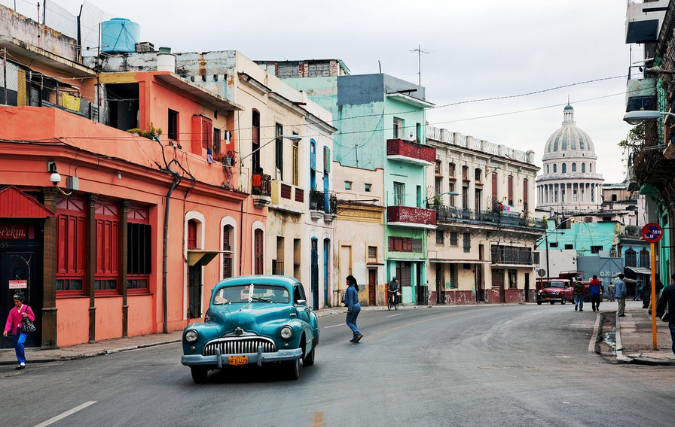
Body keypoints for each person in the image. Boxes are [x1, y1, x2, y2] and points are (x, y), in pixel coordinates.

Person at [3, 293, 36, 370]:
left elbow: (33, 318)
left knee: (20, 343)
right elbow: (9, 321)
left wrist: (27, 315)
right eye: (15, 301)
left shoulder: (27, 308)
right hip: (15, 330)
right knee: (17, 347)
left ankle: (22, 361)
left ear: (21, 301)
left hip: (23, 330)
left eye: (17, 301)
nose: (16, 303)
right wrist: (6, 330)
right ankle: (20, 362)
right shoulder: (12, 310)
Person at [655, 273, 675, 355]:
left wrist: (661, 315)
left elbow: (661, 304)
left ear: (673, 280)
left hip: (674, 318)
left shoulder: (669, 289)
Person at [345, 275, 363, 343]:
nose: (346, 281)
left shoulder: (349, 289)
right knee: (353, 322)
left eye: (347, 280)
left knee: (348, 322)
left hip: (353, 306)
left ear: (349, 281)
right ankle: (355, 337)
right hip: (357, 306)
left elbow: (351, 300)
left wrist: (349, 309)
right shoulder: (354, 288)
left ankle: (358, 333)